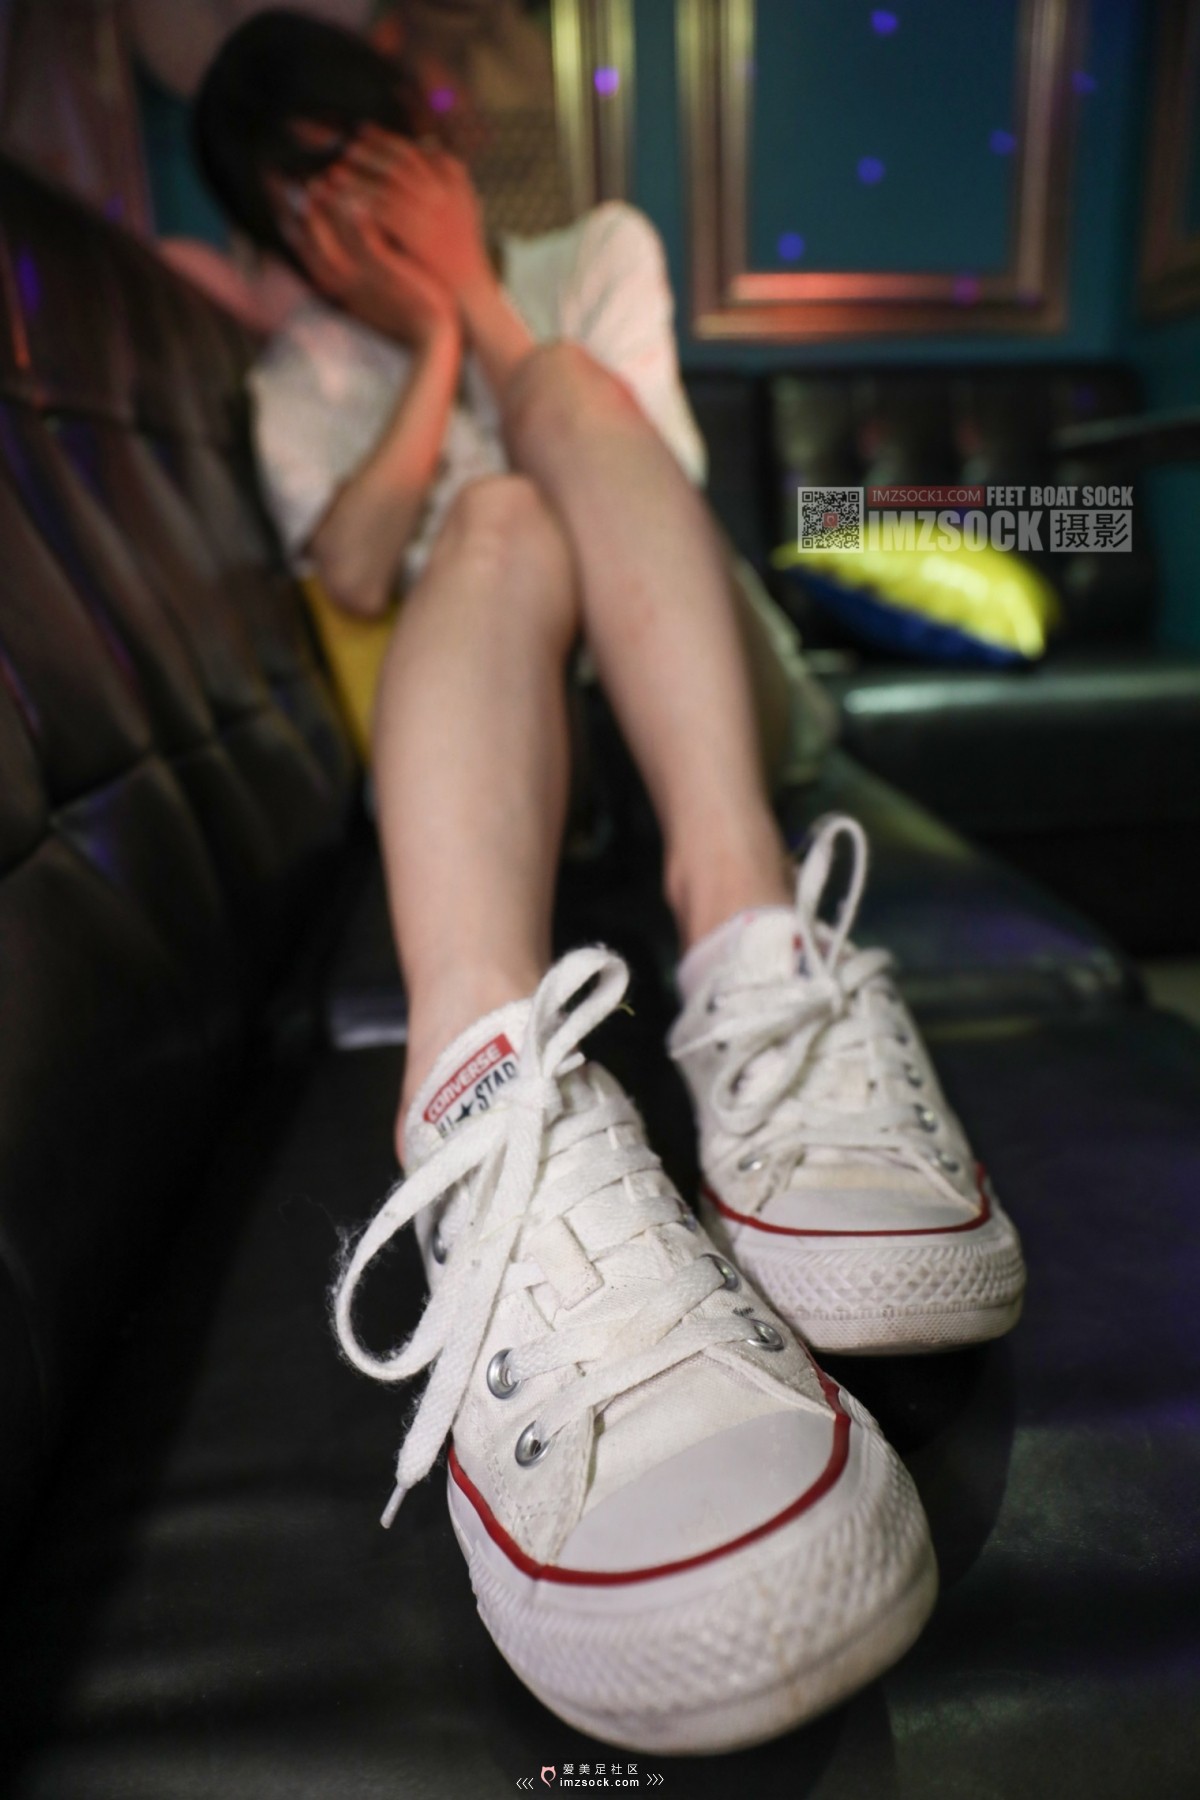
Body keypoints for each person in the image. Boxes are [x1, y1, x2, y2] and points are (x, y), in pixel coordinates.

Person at [193, 11, 1025, 1754]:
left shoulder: (601, 250)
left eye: (364, 167)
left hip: (693, 702)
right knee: (487, 527)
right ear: (275, 240)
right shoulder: (303, 375)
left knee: (565, 413)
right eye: (303, 207)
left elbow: (657, 498)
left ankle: (746, 920)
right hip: (506, 761)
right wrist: (429, 339)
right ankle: (475, 1094)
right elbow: (356, 571)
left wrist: (484, 301)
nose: (347, 220)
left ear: (427, 141)